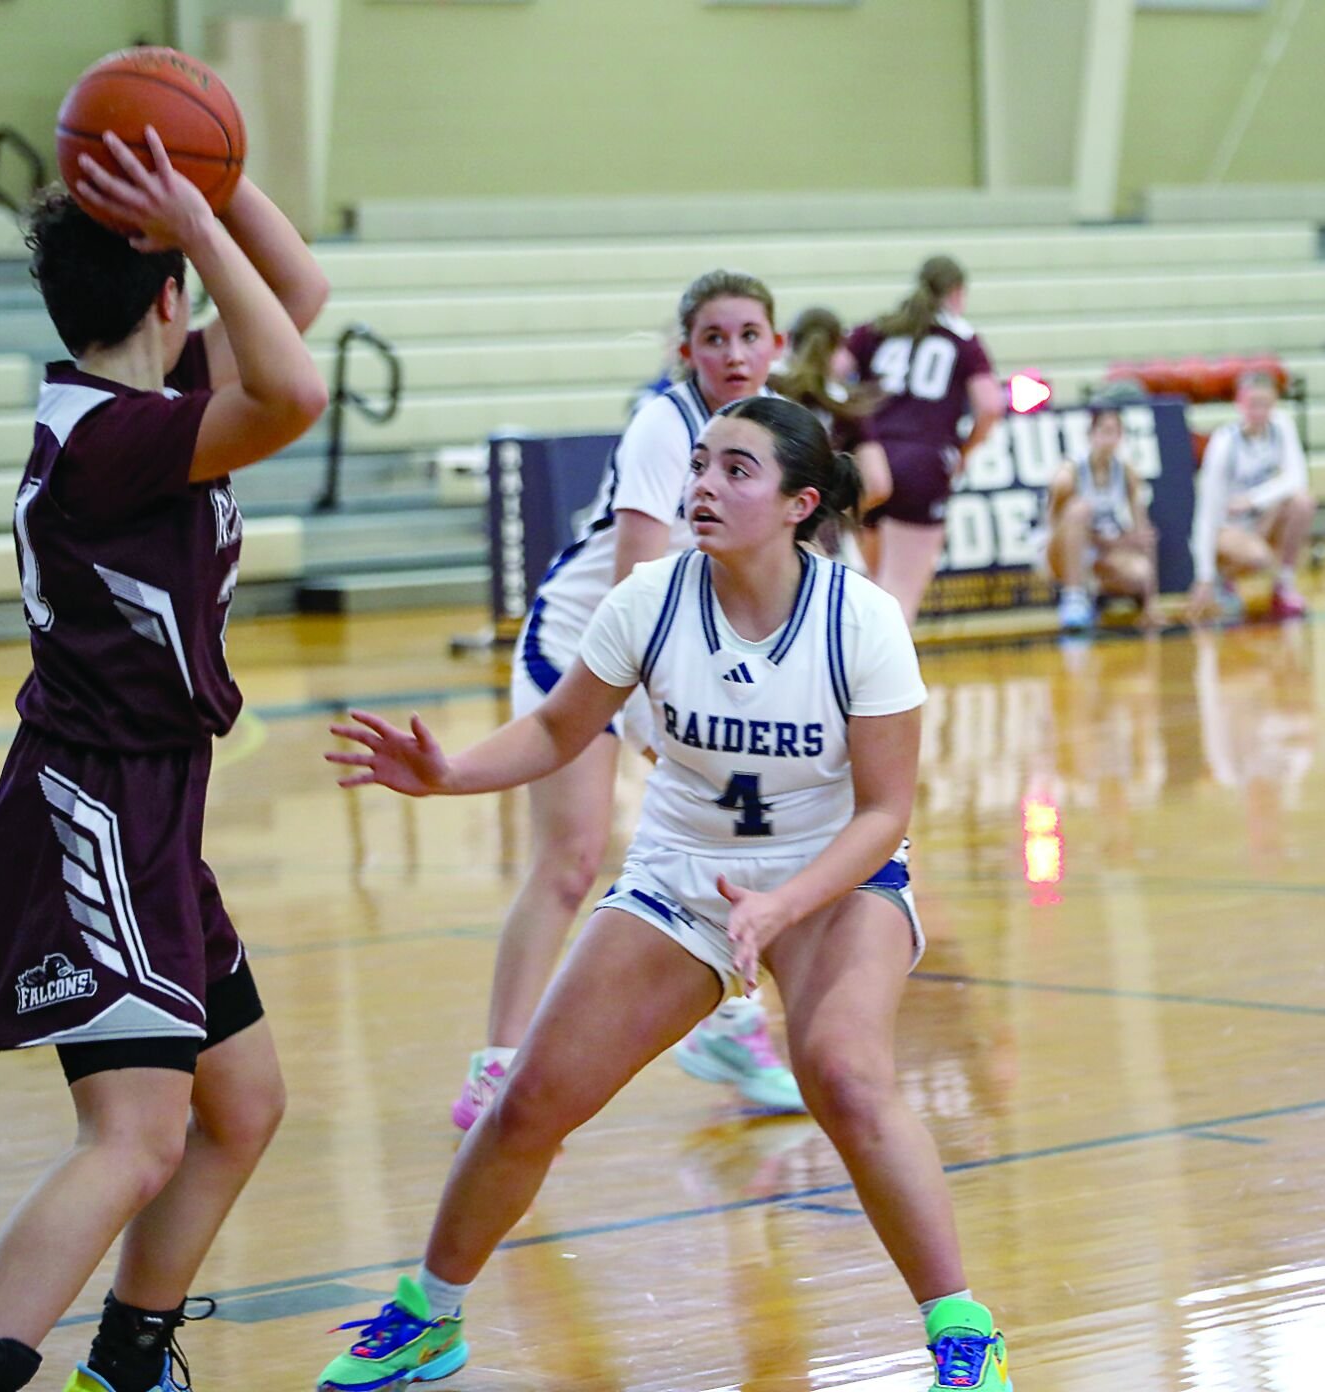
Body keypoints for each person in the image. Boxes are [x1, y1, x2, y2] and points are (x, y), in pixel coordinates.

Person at [321, 395, 1011, 1392]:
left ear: (795, 503)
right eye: (697, 465)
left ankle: (960, 1331)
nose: (700, 487)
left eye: (734, 470)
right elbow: (560, 732)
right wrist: (449, 774)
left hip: (835, 878)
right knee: (528, 1106)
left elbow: (883, 813)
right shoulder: (647, 599)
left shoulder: (857, 619)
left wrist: (779, 907)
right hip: (684, 877)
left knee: (845, 1076)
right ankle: (430, 1313)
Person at [0, 128, 328, 1392]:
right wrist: (197, 226)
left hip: (149, 809)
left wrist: (219, 173)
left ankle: (127, 1365)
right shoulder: (114, 441)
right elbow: (296, 390)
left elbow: (294, 308)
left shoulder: (142, 400)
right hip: (94, 810)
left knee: (240, 1106)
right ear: (166, 294)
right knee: (134, 1139)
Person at [454, 269, 806, 1132]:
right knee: (571, 864)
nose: (733, 352)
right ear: (685, 349)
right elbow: (637, 586)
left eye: (748, 334)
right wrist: (667, 715)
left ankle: (730, 1026)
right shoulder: (665, 425)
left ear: (776, 344)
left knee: (738, 836)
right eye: (713, 337)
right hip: (589, 642)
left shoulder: (782, 428)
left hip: (682, 652)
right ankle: (496, 1068)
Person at [842, 256, 1004, 624]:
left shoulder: (875, 329)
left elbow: (828, 373)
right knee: (899, 595)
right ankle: (878, 680)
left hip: (869, 461)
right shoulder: (962, 338)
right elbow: (990, 406)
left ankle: (853, 674)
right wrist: (966, 450)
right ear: (957, 293)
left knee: (875, 588)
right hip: (923, 464)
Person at [1188, 370, 1315, 622]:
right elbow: (1207, 512)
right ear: (1239, 403)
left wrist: (1254, 499)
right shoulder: (1224, 443)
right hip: (1228, 529)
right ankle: (1225, 579)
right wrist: (1204, 576)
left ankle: (1284, 585)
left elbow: (1297, 478)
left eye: (1265, 404)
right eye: (1252, 404)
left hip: (1261, 519)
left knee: (1303, 502)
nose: (1259, 411)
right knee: (1258, 557)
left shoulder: (1281, 426)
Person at [1044, 405, 1162, 630]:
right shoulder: (1069, 473)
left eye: (1115, 432)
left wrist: (1151, 603)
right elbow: (1053, 527)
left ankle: (1096, 593)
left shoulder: (1127, 472)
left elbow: (1144, 532)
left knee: (1140, 573)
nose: (1110, 438)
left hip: (1101, 550)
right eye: (1104, 431)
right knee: (1080, 510)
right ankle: (1073, 597)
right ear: (1091, 434)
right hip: (1060, 554)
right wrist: (1109, 541)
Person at [769, 305, 891, 523]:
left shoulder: (765, 386)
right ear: (839, 348)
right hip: (815, 531)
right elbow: (878, 484)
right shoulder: (844, 404)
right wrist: (825, 517)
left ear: (787, 339)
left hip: (762, 523)